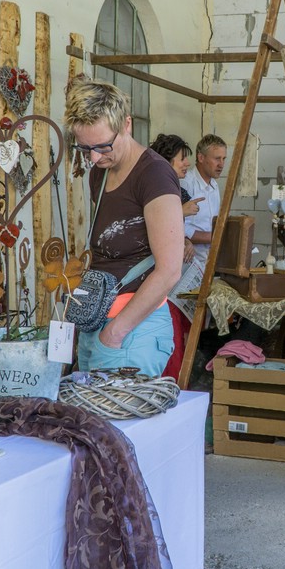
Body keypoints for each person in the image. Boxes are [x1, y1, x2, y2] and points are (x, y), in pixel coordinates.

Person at [64, 77, 183, 376]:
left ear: (126, 125)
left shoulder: (154, 174)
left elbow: (169, 269)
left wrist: (115, 332)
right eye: (85, 148)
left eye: (103, 146)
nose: (94, 157)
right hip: (97, 323)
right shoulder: (99, 173)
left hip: (132, 332)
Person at [150, 133, 201, 264]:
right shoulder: (151, 190)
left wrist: (186, 242)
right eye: (182, 158)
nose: (187, 163)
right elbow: (148, 227)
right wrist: (181, 212)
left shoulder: (181, 193)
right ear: (166, 161)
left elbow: (173, 231)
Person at [181, 134, 227, 267]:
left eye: (224, 159)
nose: (221, 164)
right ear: (201, 158)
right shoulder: (186, 183)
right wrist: (213, 237)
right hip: (189, 263)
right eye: (217, 158)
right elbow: (176, 225)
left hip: (210, 261)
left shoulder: (214, 185)